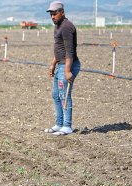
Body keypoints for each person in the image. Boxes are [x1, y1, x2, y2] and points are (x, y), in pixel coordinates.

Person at [44, 1, 81, 136]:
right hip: (60, 64)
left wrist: (67, 70)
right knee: (56, 95)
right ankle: (59, 124)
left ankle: (67, 126)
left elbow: (69, 51)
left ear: (62, 12)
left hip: (68, 65)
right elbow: (59, 48)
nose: (53, 17)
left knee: (64, 95)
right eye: (51, 14)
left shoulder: (66, 27)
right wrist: (53, 63)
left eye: (55, 14)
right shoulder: (58, 25)